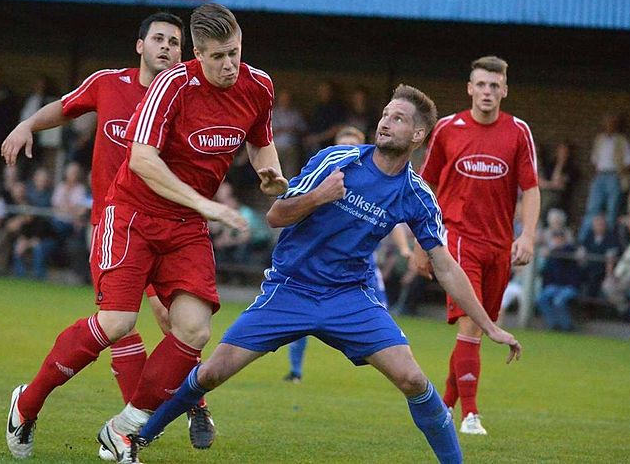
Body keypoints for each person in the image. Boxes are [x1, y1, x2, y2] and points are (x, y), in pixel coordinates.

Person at [109, 85, 522, 464]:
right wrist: (321, 195)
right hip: (290, 288)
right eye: (385, 114)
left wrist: (490, 326)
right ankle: (135, 439)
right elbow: (275, 215)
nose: (385, 121)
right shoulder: (336, 160)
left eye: (398, 118)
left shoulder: (416, 195)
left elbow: (446, 267)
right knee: (213, 372)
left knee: (413, 378)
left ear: (417, 136)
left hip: (349, 297)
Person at [3, 5, 287, 459]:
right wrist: (203, 202)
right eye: (217, 57)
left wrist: (270, 172)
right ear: (197, 54)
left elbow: (260, 139)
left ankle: (124, 430)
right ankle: (29, 400)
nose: (229, 65)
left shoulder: (259, 86)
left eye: (235, 53)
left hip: (186, 227)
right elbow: (141, 159)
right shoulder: (170, 85)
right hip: (132, 214)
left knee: (193, 330)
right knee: (119, 323)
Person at [0, 12, 202, 458]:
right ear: (140, 46)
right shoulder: (108, 83)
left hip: (166, 227)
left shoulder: (187, 99)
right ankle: (48, 409)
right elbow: (66, 107)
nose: (168, 47)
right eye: (159, 39)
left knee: (178, 323)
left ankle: (183, 407)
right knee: (121, 328)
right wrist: (27, 125)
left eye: (175, 42)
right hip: (113, 224)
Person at [411, 56, 539, 436]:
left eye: (494, 85)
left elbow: (531, 188)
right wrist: (423, 242)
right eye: (481, 85)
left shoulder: (518, 132)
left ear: (504, 89)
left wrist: (528, 234)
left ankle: (443, 407)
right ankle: (471, 415)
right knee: (471, 322)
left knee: (479, 328)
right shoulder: (448, 128)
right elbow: (424, 186)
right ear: (469, 88)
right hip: (457, 239)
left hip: (499, 245)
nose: (487, 92)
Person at [282, 125, 395, 383]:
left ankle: (382, 355)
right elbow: (287, 209)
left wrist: (401, 248)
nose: (346, 151)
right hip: (314, 265)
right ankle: (296, 371)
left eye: (352, 146)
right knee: (298, 320)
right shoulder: (319, 176)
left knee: (379, 320)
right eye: (341, 145)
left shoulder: (373, 183)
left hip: (360, 268)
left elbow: (393, 220)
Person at [580, 114, 630, 240]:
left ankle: (607, 239)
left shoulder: (622, 140)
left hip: (614, 176)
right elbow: (594, 160)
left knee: (612, 210)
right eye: (607, 123)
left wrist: (619, 171)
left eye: (612, 123)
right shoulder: (599, 139)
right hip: (600, 175)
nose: (609, 125)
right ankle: (584, 239)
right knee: (592, 208)